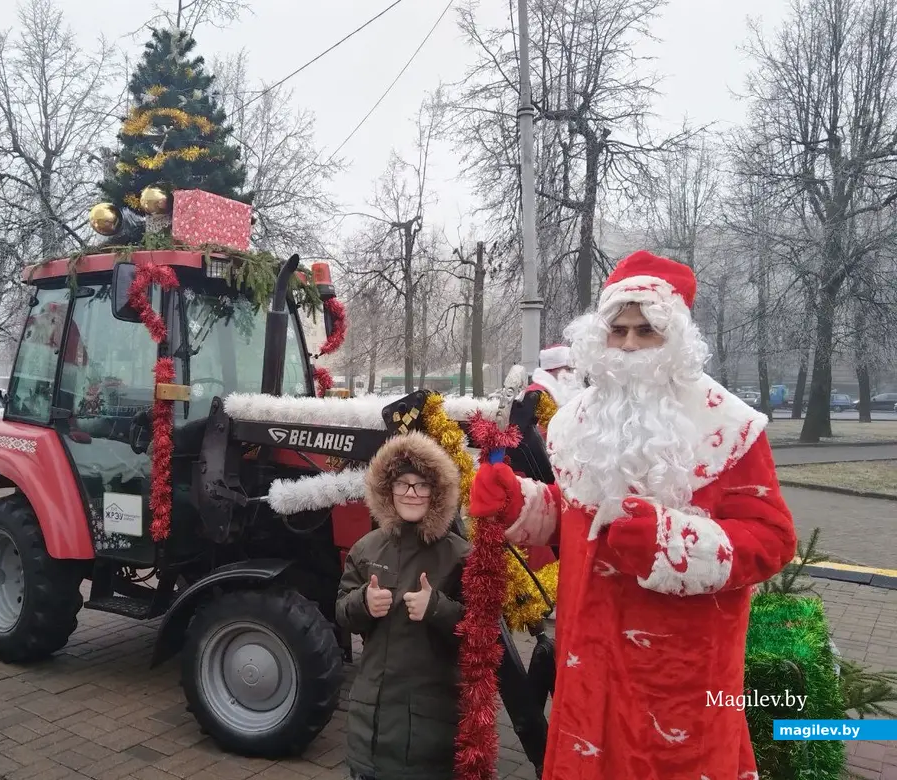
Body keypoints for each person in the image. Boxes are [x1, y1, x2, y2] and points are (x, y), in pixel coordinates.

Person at [469, 250, 797, 780]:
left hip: (678, 681)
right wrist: (521, 502)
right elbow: (574, 518)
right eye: (617, 330)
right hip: (587, 667)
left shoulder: (731, 427)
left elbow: (773, 539)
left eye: (646, 331)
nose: (627, 346)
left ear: (676, 342)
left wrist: (669, 541)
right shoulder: (578, 421)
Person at [336, 431, 470, 780]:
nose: (411, 493)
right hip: (371, 726)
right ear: (387, 489)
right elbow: (341, 613)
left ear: (437, 491)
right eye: (402, 484)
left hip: (429, 731)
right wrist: (362, 602)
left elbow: (482, 634)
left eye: (422, 485)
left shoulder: (459, 555)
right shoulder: (366, 549)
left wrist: (437, 608)